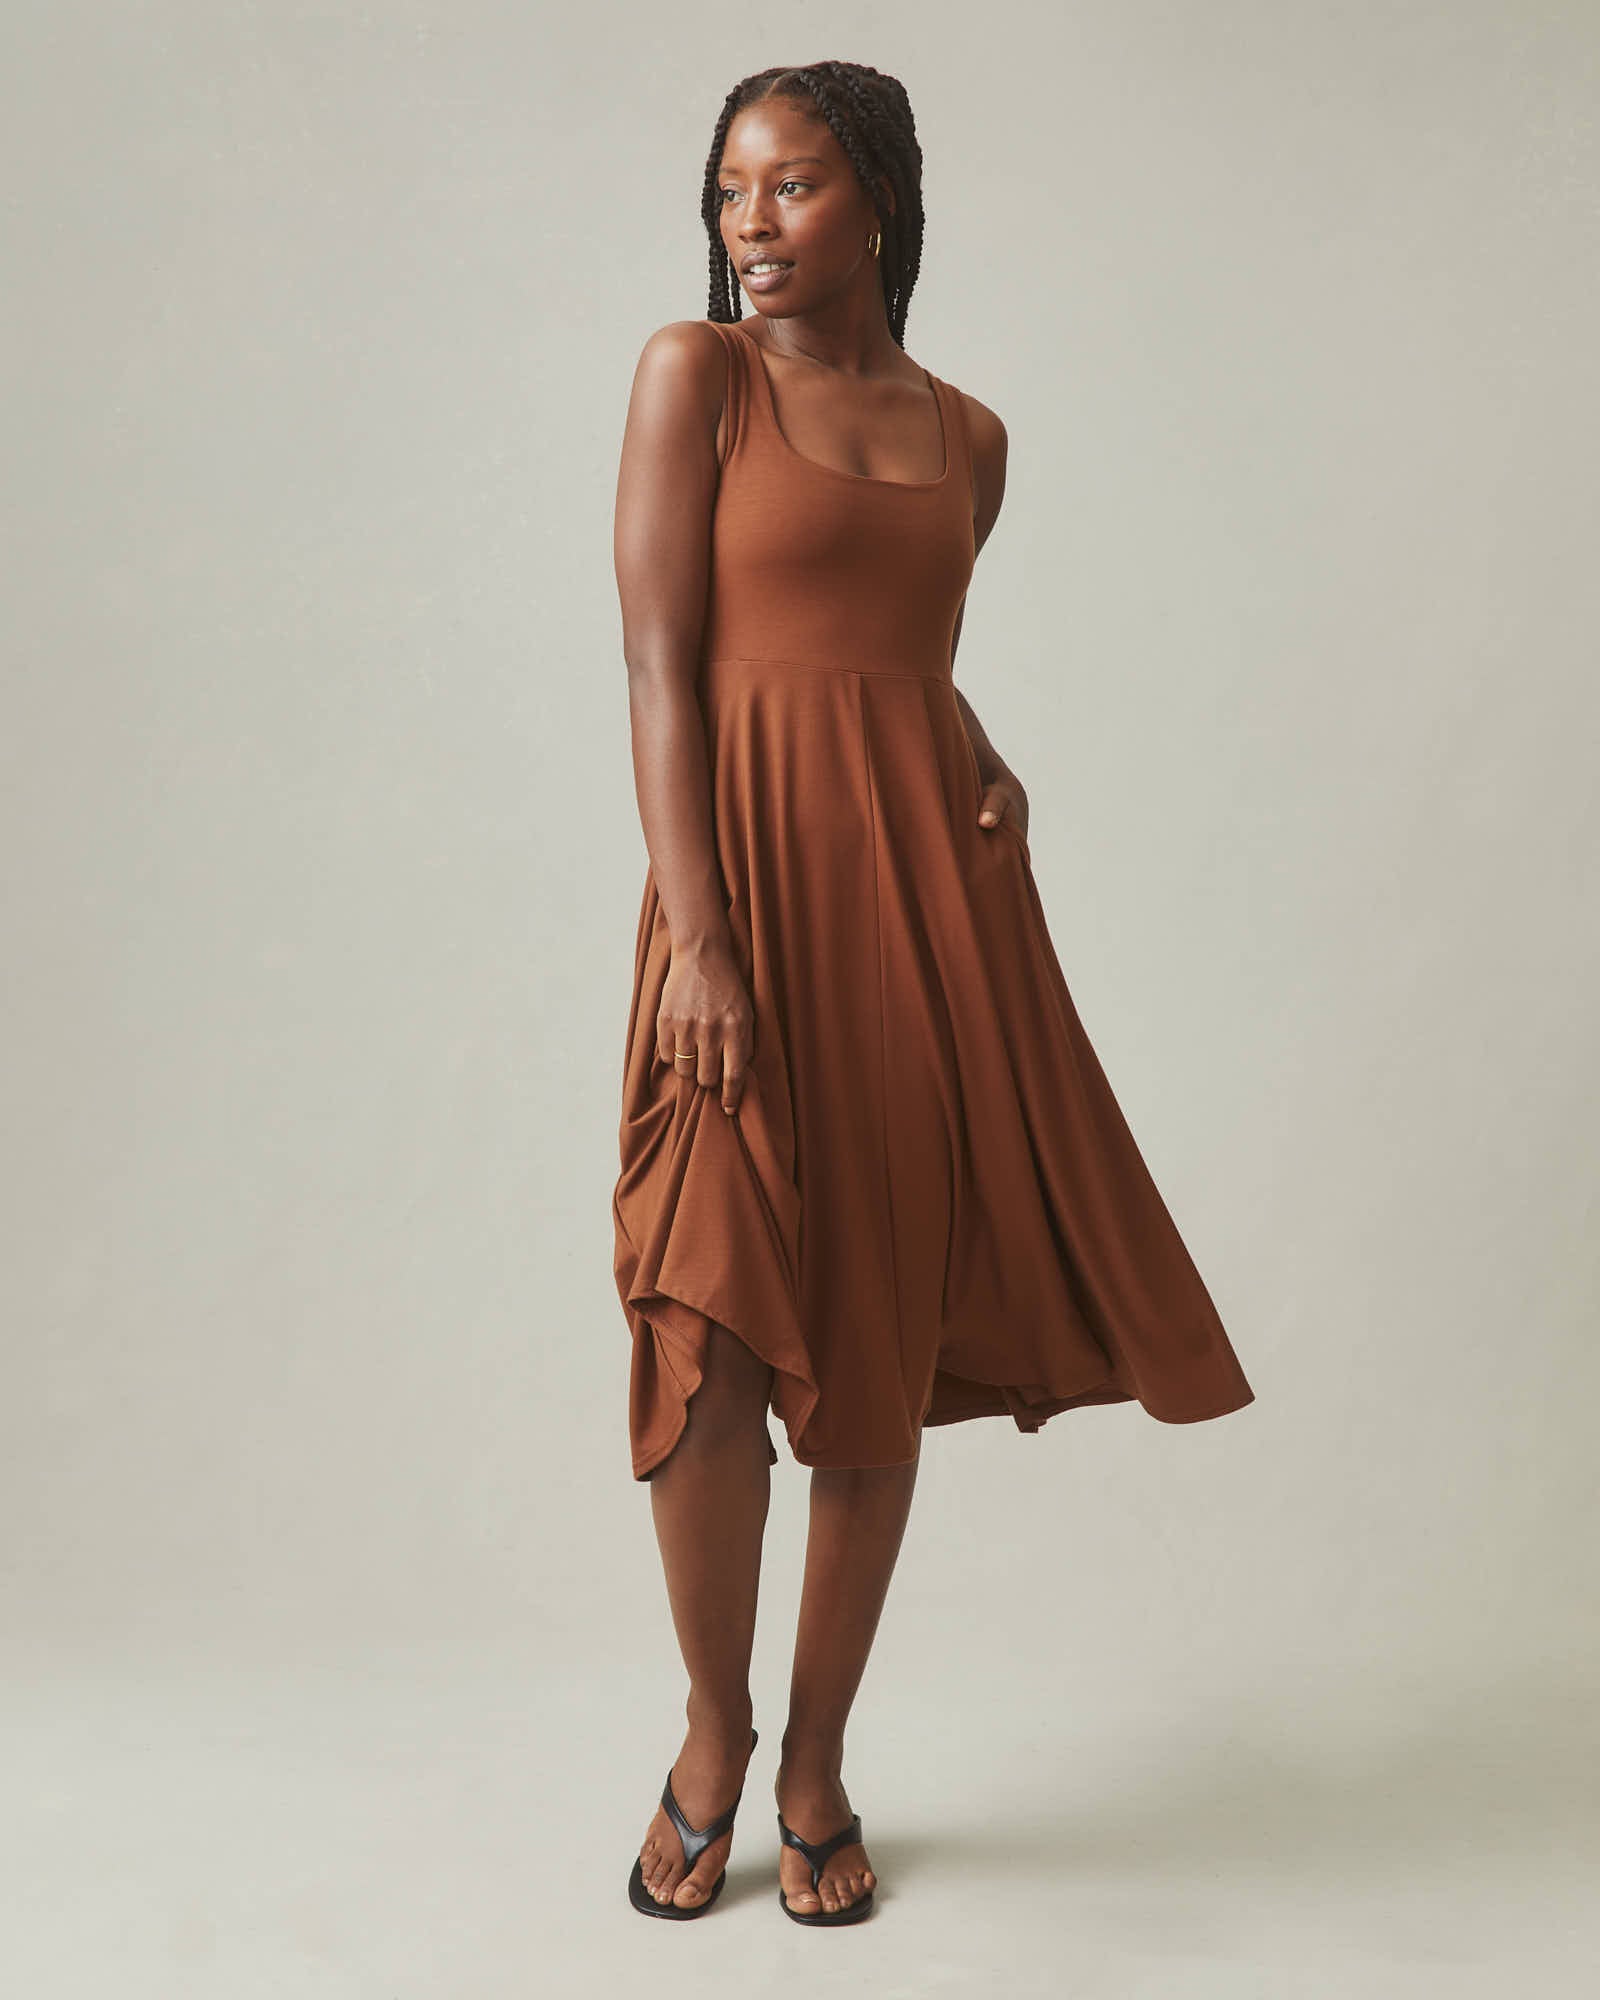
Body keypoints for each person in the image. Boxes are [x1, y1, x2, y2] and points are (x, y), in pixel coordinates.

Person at [611, 61, 1255, 1927]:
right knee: (704, 1323)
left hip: (917, 912)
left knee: (874, 1341)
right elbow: (662, 663)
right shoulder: (696, 377)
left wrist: (986, 758)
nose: (750, 220)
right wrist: (701, 938)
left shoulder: (970, 438)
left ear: (878, 200)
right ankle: (714, 1732)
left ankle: (816, 1761)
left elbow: (898, 662)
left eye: (792, 184)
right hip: (737, 901)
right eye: (731, 187)